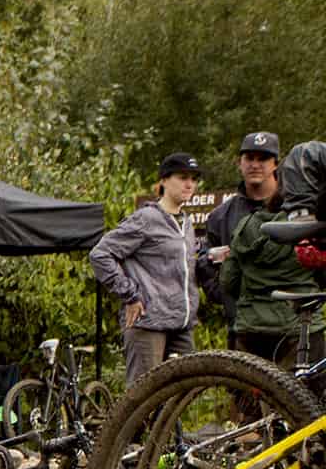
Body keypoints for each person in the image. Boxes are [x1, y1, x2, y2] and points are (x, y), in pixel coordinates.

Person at [89, 152, 203, 386]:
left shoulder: (187, 223)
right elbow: (100, 254)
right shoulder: (146, 219)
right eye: (182, 177)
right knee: (144, 398)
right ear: (163, 180)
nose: (189, 184)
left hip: (181, 325)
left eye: (193, 178)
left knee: (184, 392)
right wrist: (130, 294)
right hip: (147, 323)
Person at [221, 163, 323, 370]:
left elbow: (228, 281)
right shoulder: (309, 227)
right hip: (299, 326)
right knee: (303, 397)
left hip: (250, 328)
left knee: (251, 395)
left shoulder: (246, 224)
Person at [198, 131, 280, 331]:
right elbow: (205, 262)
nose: (255, 164)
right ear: (239, 163)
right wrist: (224, 295)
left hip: (292, 325)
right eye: (249, 158)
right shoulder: (220, 216)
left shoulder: (294, 208)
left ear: (276, 164)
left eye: (263, 159)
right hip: (242, 325)